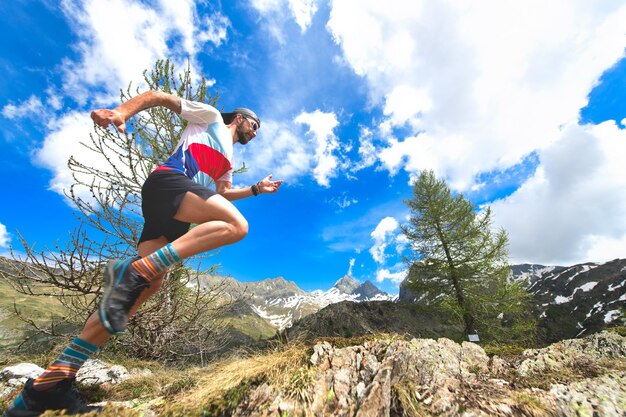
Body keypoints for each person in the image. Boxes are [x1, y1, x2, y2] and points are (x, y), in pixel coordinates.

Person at [4, 90, 283, 416]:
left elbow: (222, 192)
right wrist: (121, 112)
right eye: (255, 124)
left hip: (180, 208)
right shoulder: (208, 117)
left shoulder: (228, 161)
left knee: (135, 295)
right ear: (239, 118)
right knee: (236, 226)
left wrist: (255, 190)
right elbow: (159, 96)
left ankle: (46, 388)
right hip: (170, 184)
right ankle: (133, 270)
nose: (256, 131)